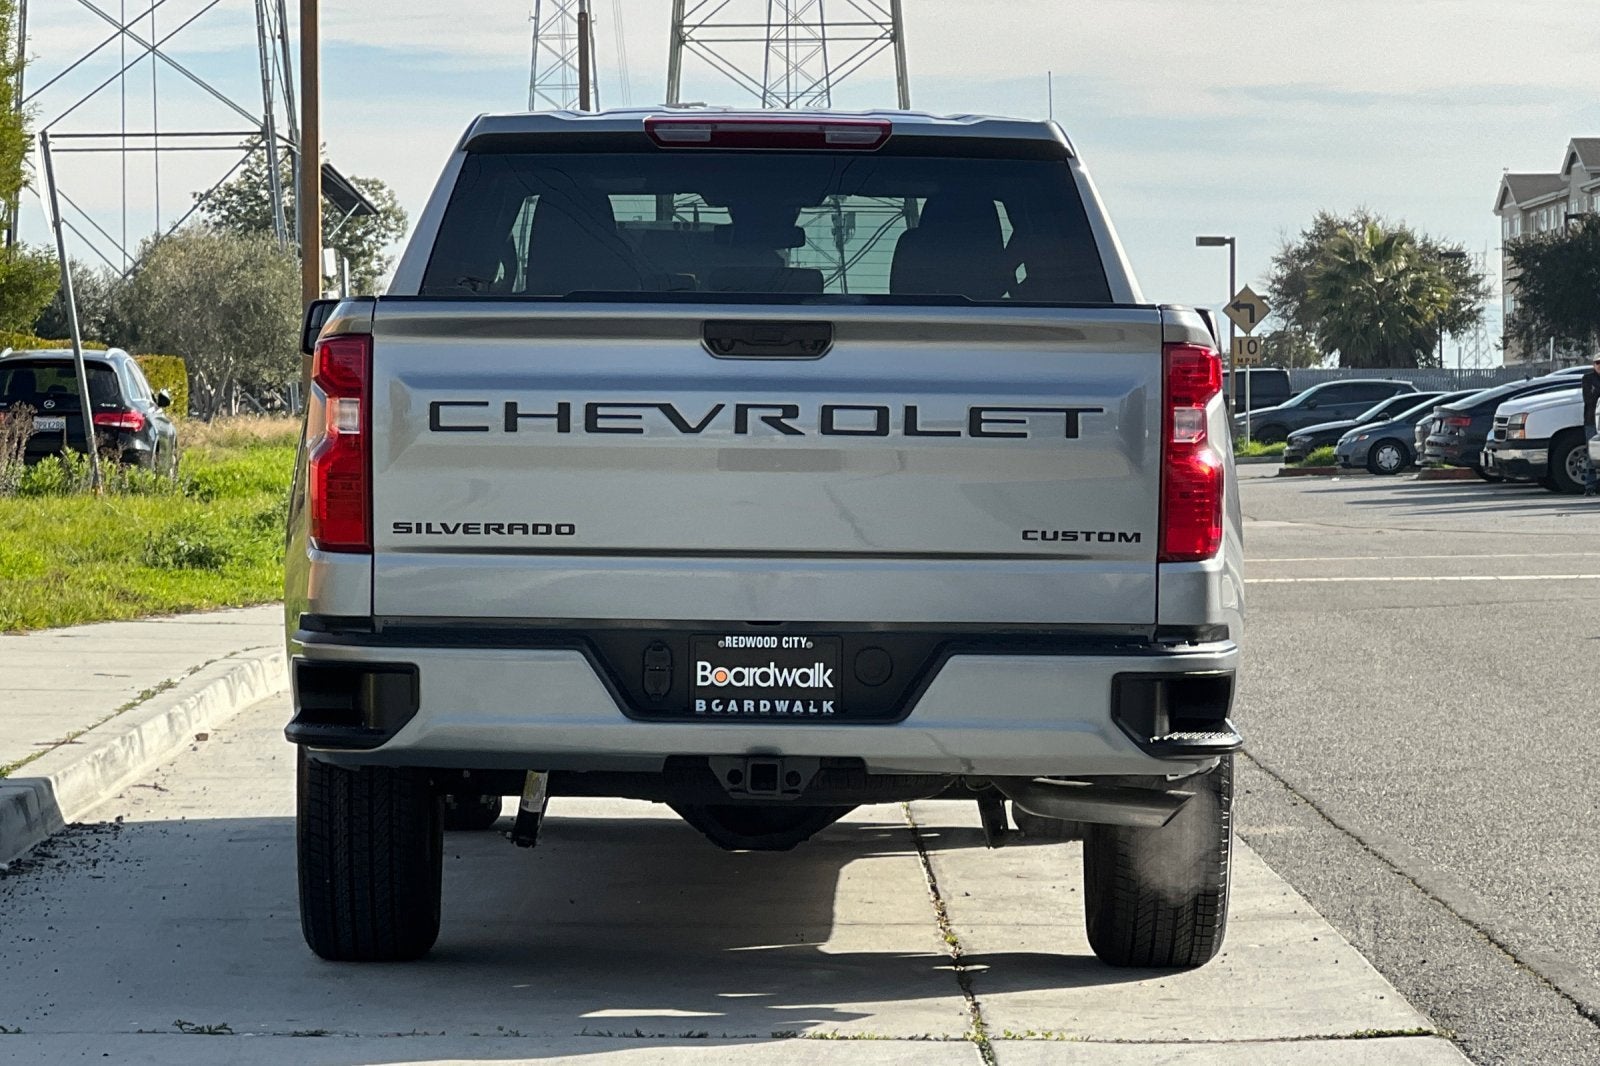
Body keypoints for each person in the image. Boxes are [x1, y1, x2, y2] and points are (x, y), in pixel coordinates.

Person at [1584, 355, 1600, 495]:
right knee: (1592, 453)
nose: (1599, 365)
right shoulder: (1588, 378)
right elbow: (1588, 399)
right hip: (1592, 421)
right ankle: (1590, 485)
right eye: (1597, 363)